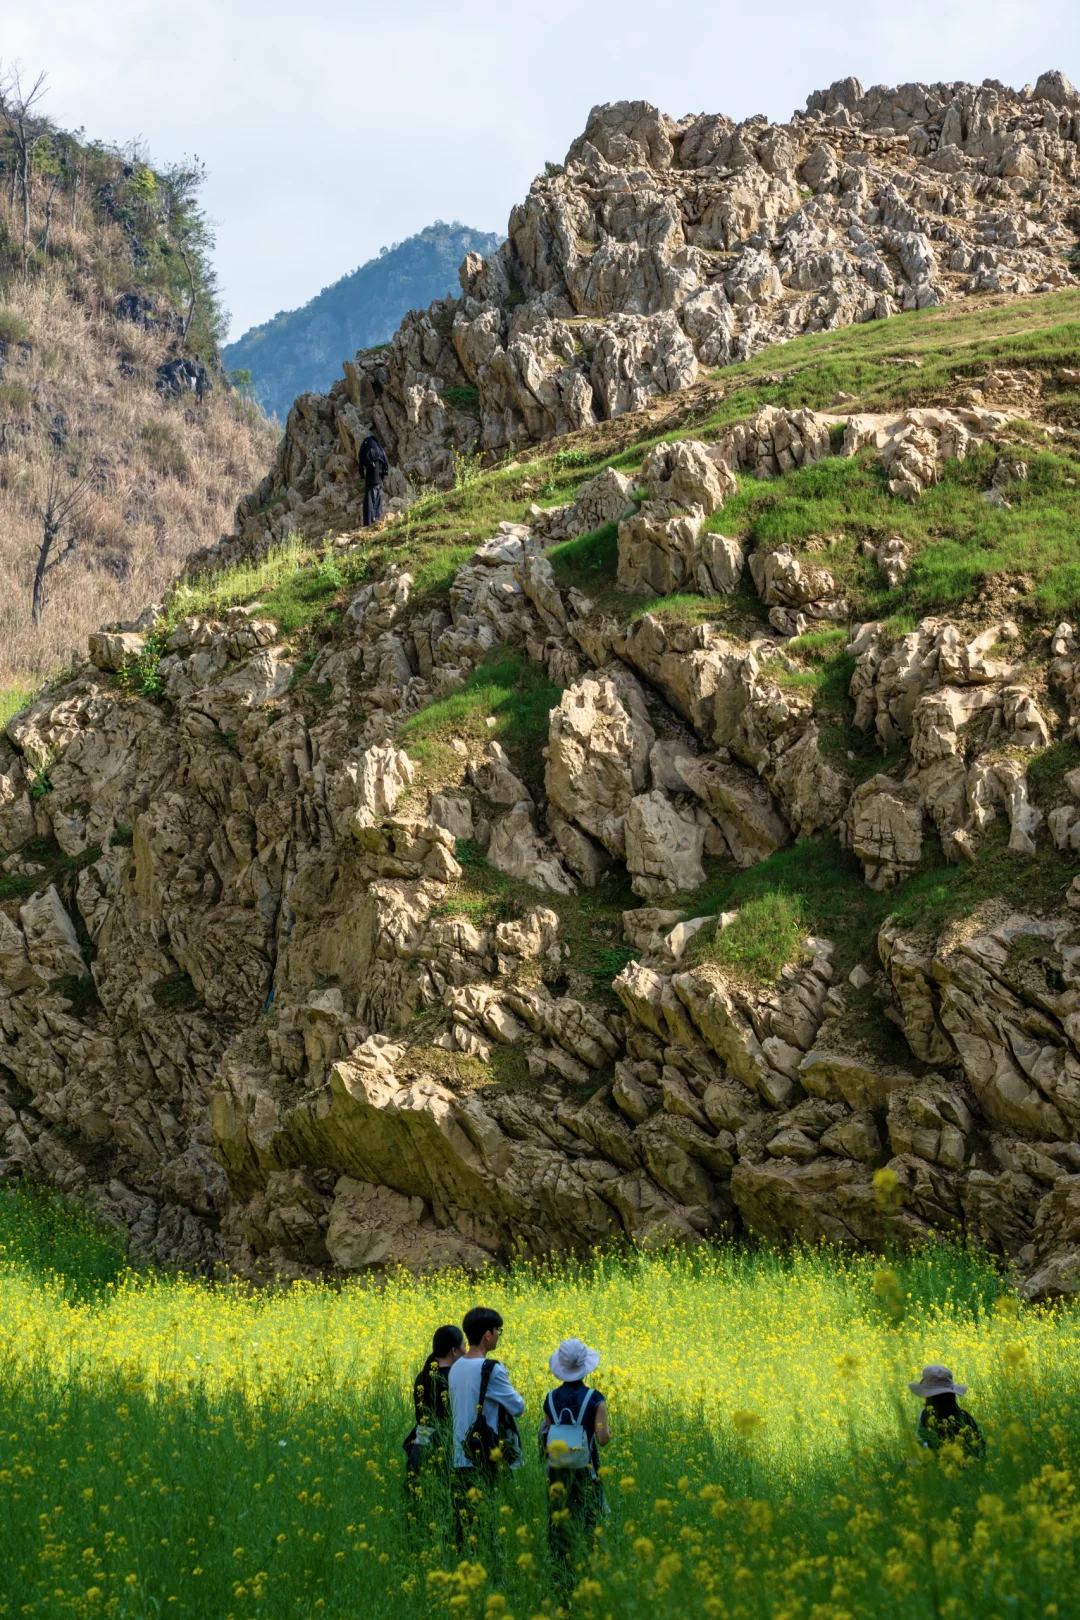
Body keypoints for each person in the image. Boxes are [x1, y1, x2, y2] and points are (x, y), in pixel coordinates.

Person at [540, 1336, 610, 1570]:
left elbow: (547, 1433)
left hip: (557, 1472)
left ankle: (560, 1571)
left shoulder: (550, 1399)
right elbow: (602, 1439)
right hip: (587, 1471)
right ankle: (586, 1570)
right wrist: (607, 1430)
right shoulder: (596, 1399)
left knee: (558, 1522)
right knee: (588, 1524)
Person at [448, 1306, 525, 1486]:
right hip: (485, 1455)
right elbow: (518, 1407)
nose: (499, 1335)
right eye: (498, 1330)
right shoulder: (491, 1370)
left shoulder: (455, 1367)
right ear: (487, 1335)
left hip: (459, 1454)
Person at [403, 1323, 465, 1475]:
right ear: (454, 1351)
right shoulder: (453, 1379)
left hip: (420, 1449)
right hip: (444, 1451)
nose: (466, 1350)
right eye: (464, 1345)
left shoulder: (423, 1375)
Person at [909, 1364, 985, 1459]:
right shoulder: (965, 1416)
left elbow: (918, 1448)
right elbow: (979, 1450)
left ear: (929, 1396)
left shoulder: (925, 1415)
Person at [359, 430, 389, 526]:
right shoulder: (379, 449)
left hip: (372, 478)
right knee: (378, 500)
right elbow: (385, 463)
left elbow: (362, 459)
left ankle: (369, 523)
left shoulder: (367, 445)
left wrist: (362, 473)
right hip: (380, 478)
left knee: (369, 501)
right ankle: (377, 520)